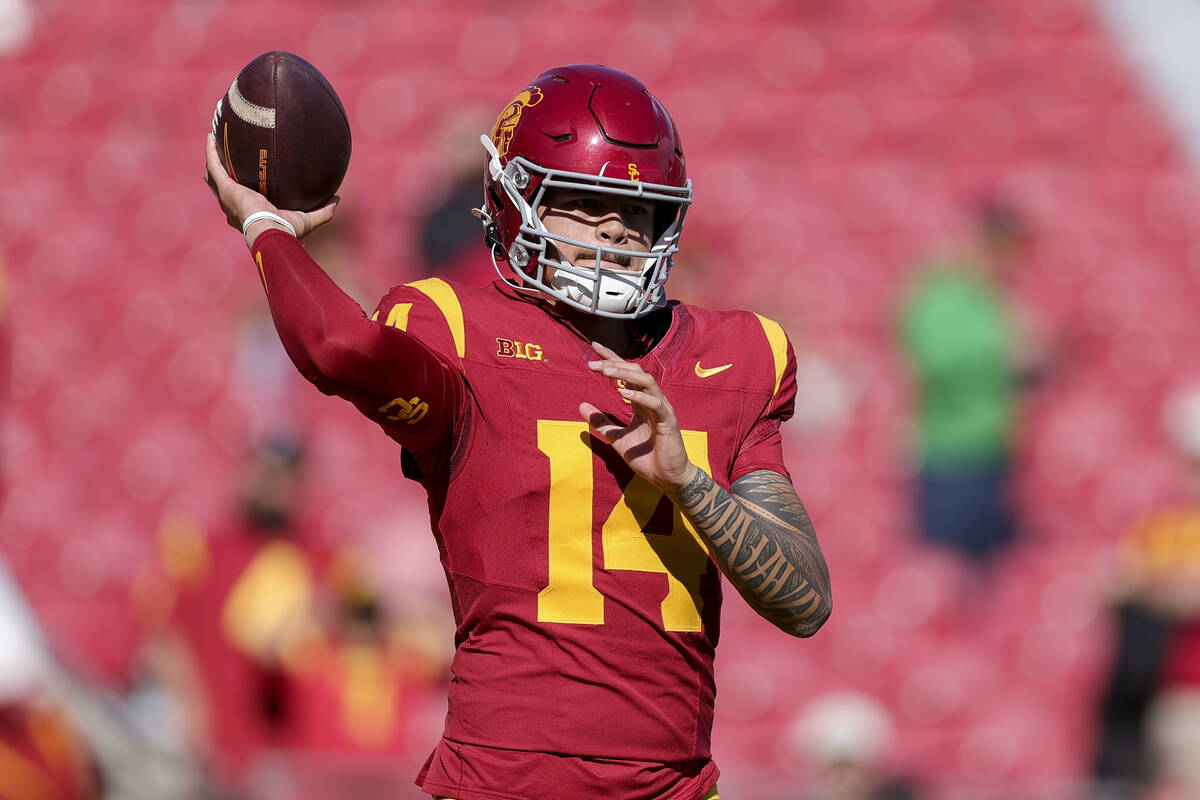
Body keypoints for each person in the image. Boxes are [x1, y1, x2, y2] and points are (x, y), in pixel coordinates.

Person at [205, 64, 832, 800]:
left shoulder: (738, 356)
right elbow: (339, 348)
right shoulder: (460, 329)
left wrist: (692, 484)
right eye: (581, 202)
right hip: (502, 785)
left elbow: (806, 600)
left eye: (638, 211)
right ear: (512, 202)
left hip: (675, 790)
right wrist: (266, 226)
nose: (615, 229)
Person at [898, 195, 1044, 568]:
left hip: (997, 454)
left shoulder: (995, 297)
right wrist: (1003, 349)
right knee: (950, 567)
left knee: (996, 569)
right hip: (951, 456)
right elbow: (932, 359)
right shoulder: (941, 294)